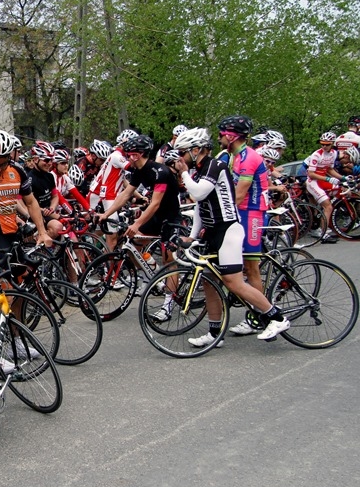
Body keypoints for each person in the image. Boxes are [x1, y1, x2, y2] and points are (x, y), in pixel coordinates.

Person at [171, 127, 291, 346]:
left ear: (196, 150)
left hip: (228, 230)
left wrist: (184, 173)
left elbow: (197, 193)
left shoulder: (215, 166)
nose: (179, 158)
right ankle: (215, 333)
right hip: (213, 232)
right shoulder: (200, 170)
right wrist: (193, 236)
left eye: (182, 152)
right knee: (209, 282)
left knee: (234, 282)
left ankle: (277, 317)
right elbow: (200, 206)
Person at [95, 135, 181, 296]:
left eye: (129, 155)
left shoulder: (160, 172)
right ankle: (154, 276)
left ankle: (169, 303)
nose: (127, 158)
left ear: (137, 155)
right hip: (156, 216)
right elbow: (125, 194)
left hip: (170, 217)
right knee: (132, 246)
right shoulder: (138, 171)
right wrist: (106, 214)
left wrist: (136, 224)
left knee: (169, 260)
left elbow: (155, 203)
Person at [212, 116, 273, 335]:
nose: (218, 138)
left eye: (221, 134)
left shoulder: (248, 158)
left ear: (231, 136)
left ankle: (259, 317)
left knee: (251, 268)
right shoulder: (233, 156)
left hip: (252, 213)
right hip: (241, 212)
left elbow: (238, 196)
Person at [304, 130, 348, 243]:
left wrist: (343, 178)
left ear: (332, 143)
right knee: (328, 207)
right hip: (313, 182)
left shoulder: (333, 153)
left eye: (327, 144)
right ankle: (324, 234)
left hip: (322, 180)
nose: (324, 146)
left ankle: (322, 220)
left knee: (341, 189)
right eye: (322, 144)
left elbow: (330, 170)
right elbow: (311, 174)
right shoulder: (317, 154)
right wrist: (328, 179)